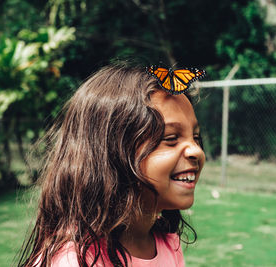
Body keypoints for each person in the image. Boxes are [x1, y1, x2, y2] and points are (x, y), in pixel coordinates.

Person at [18, 62, 205, 267]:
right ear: (111, 153)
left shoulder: (168, 244)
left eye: (195, 137)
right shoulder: (73, 261)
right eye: (170, 138)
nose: (196, 150)